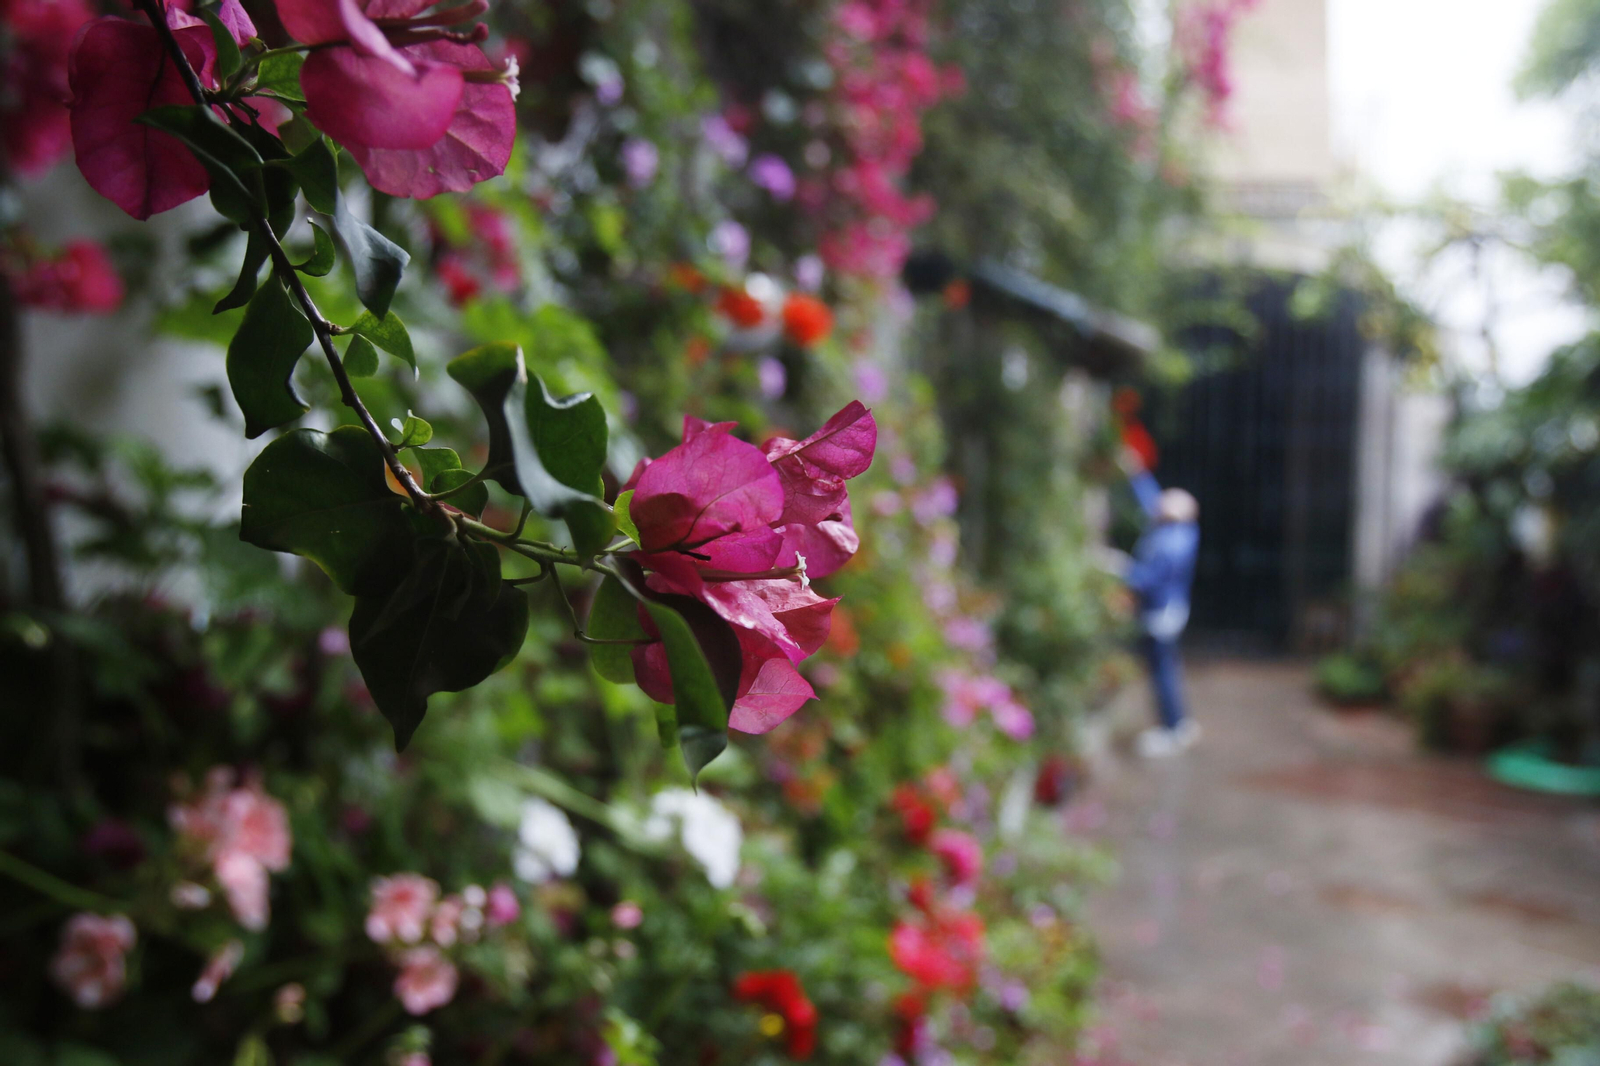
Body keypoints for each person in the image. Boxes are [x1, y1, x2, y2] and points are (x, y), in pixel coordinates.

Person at [1120, 450, 1201, 758]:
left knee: (1162, 671)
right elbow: (1148, 498)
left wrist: (1117, 568)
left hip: (1160, 614)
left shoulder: (1173, 540)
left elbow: (1148, 580)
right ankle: (1178, 723)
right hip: (1163, 610)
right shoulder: (1170, 529)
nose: (1159, 502)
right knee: (1164, 669)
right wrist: (1136, 472)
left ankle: (1173, 729)